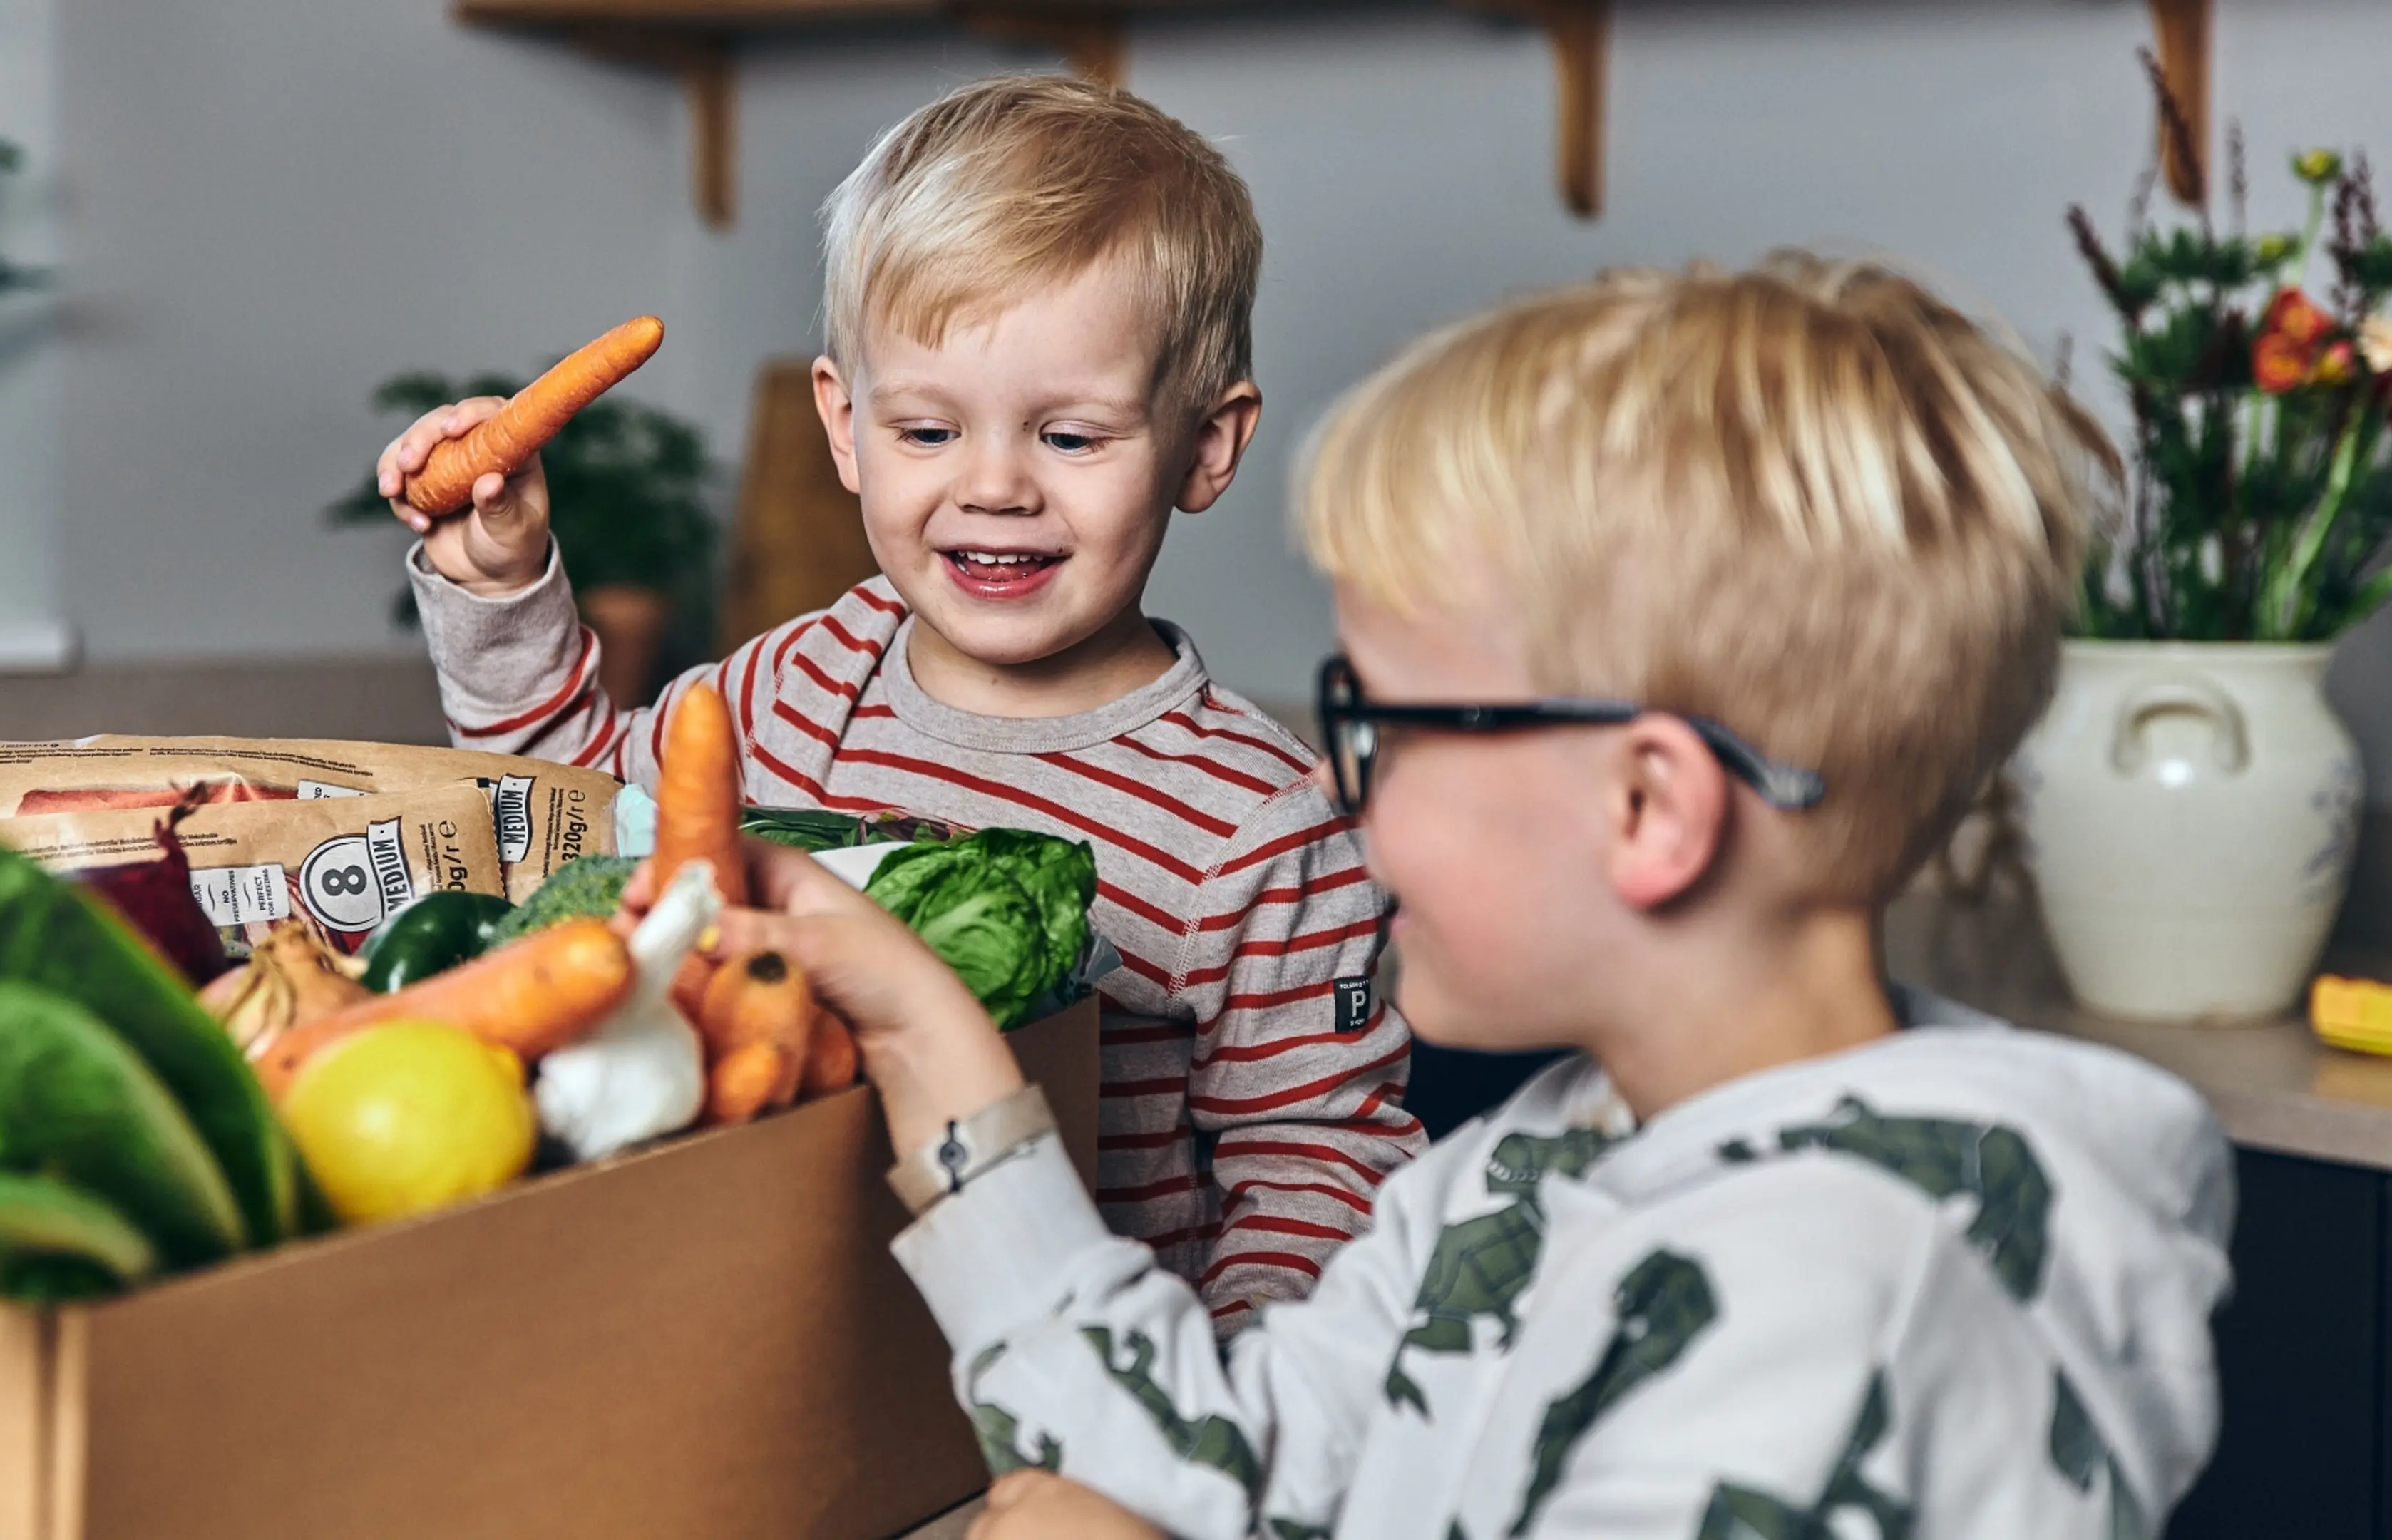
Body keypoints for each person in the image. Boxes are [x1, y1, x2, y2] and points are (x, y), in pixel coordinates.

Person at [707, 255, 2238, 1539]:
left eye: (1384, 724)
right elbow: (1233, 1457)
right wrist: (933, 1037)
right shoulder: (1533, 1164)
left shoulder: (1847, 1316)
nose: (1341, 785)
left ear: (1650, 808)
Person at [376, 74, 1425, 1328]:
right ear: (845, 426)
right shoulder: (800, 680)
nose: (994, 488)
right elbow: (565, 825)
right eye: (927, 432)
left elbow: (1318, 1167)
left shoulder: (1260, 823)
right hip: (761, 1334)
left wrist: (1208, 1426)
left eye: (1073, 439)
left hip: (1059, 1405)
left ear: (1206, 444)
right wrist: (498, 586)